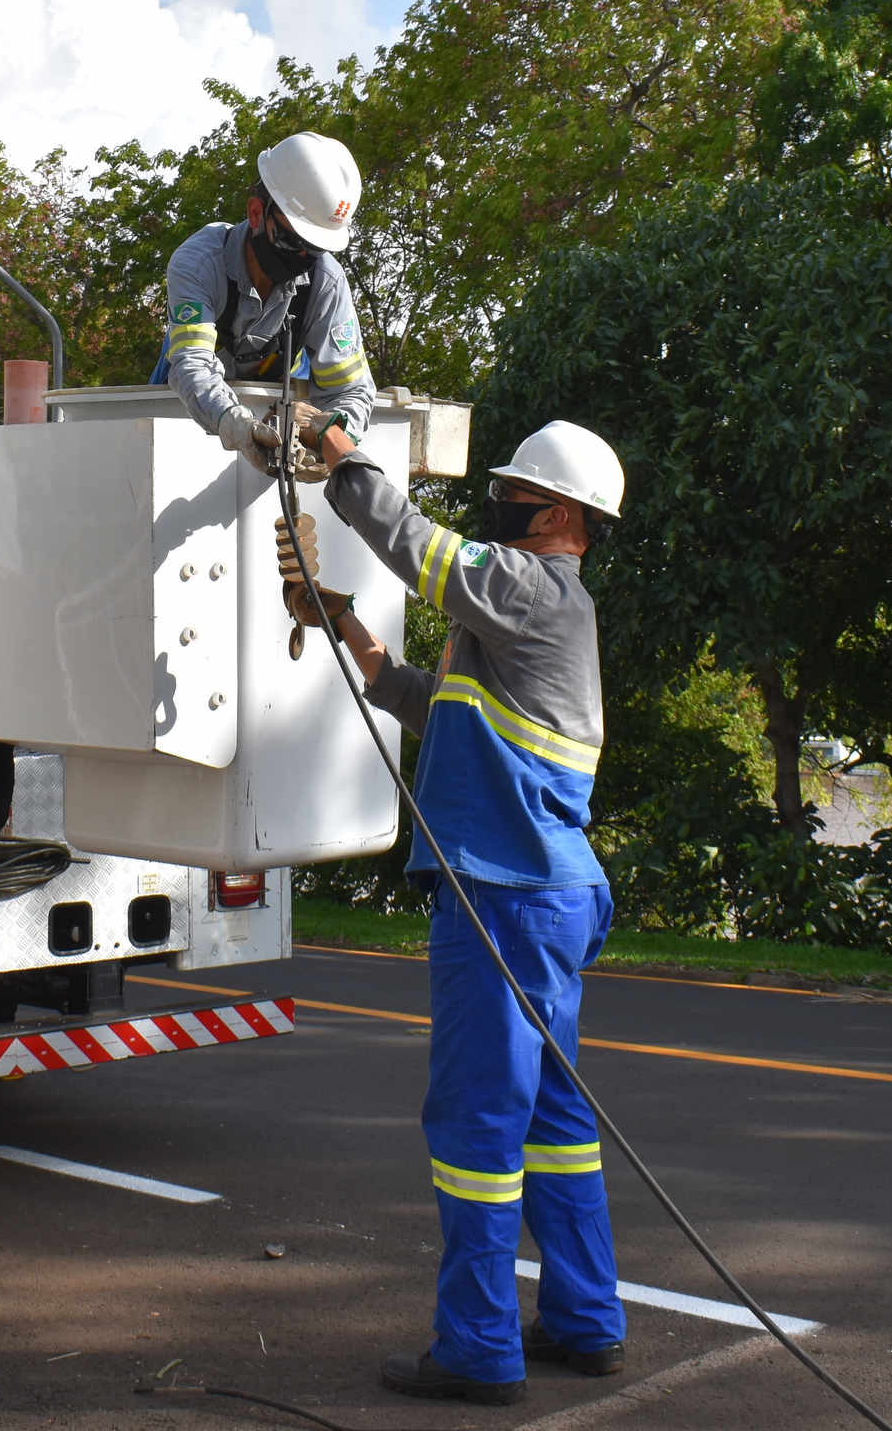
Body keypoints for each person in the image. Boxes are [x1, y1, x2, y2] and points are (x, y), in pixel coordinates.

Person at [293, 406, 629, 1405]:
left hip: (504, 897)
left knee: (478, 1121)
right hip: (548, 894)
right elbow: (427, 703)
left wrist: (340, 452)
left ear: (558, 513)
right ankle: (585, 1320)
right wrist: (343, 623)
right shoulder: (531, 617)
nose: (502, 503)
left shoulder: (531, 587)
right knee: (554, 1117)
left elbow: (413, 541)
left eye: (517, 492)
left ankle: (479, 1347)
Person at [156, 132, 374, 465]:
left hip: (277, 419)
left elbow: (351, 390)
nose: (303, 258)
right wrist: (238, 425)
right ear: (257, 213)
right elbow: (192, 365)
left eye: (315, 249)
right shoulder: (200, 264)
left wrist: (331, 440)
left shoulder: (324, 281)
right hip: (184, 417)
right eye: (293, 242)